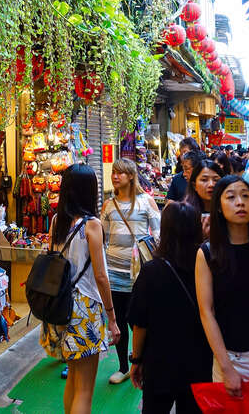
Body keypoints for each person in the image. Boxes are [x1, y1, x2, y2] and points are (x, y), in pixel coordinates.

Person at [39, 164, 120, 414]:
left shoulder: (57, 221)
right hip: (85, 308)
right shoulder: (91, 225)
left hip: (60, 305)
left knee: (74, 378)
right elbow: (101, 276)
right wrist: (112, 318)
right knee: (85, 388)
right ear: (89, 191)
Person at [196, 174, 249, 397]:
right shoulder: (207, 254)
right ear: (219, 208)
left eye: (246, 196)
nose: (240, 202)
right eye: (231, 197)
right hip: (231, 359)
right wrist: (226, 368)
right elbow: (206, 312)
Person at [128, 202, 211, 413]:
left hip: (159, 363)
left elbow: (140, 324)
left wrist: (136, 360)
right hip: (199, 363)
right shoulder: (208, 266)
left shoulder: (151, 270)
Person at [101, 158, 160, 384]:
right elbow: (103, 239)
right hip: (114, 271)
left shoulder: (146, 202)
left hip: (140, 274)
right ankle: (124, 366)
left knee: (139, 320)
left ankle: (142, 361)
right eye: (114, 173)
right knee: (120, 320)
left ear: (131, 176)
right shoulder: (108, 205)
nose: (115, 177)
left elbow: (158, 236)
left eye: (121, 173)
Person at [183, 160, 223, 238]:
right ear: (194, 186)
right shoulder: (184, 213)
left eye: (216, 180)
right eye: (204, 180)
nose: (211, 185)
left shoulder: (228, 211)